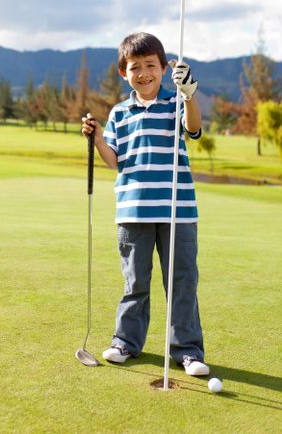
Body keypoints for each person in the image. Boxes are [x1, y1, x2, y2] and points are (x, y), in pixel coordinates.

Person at [81, 31, 209, 377]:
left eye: (151, 65)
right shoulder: (120, 112)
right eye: (135, 67)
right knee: (135, 281)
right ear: (124, 73)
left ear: (164, 68)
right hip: (133, 210)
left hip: (177, 211)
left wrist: (190, 94)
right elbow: (113, 159)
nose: (144, 73)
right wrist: (95, 138)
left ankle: (188, 350)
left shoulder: (177, 103)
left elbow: (193, 128)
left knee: (182, 281)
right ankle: (126, 341)